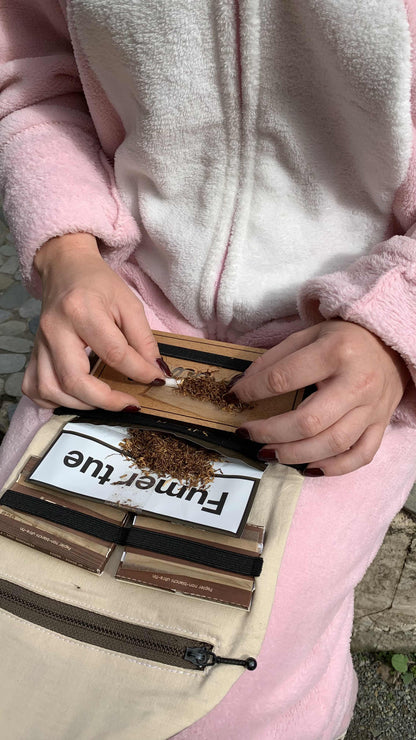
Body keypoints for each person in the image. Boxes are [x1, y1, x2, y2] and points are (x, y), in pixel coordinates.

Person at [1, 1, 416, 738]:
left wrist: (397, 327)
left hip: (359, 339)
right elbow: (27, 75)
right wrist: (66, 253)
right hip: (124, 299)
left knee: (245, 675)